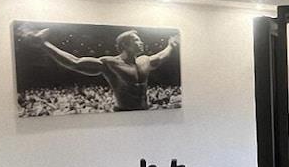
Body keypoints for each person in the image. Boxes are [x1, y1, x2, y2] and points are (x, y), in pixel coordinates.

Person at [25, 28, 178, 111]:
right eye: (137, 40)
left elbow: (162, 55)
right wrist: (44, 44)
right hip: (122, 113)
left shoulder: (145, 61)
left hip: (145, 111)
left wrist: (171, 45)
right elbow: (74, 62)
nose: (141, 43)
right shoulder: (110, 63)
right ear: (125, 45)